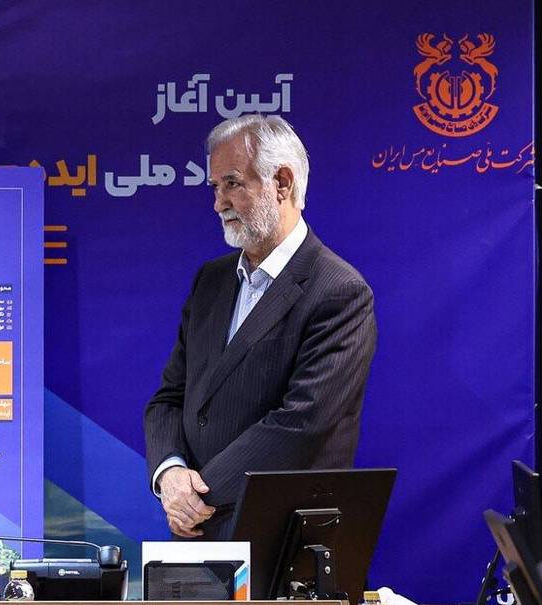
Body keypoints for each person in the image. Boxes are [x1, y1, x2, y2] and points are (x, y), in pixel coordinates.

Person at [144, 114, 376, 540]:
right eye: (215, 187)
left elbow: (301, 424)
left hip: (282, 539)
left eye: (232, 184)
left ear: (282, 183)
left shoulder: (339, 291)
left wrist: (196, 496)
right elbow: (170, 398)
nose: (218, 203)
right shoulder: (210, 281)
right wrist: (170, 473)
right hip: (196, 534)